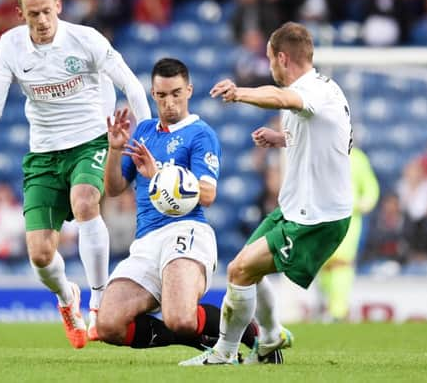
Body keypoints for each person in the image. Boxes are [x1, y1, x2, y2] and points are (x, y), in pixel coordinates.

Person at [0, 0, 151, 349]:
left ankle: (100, 303)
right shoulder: (9, 46)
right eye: (33, 14)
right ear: (20, 14)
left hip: (90, 141)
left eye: (47, 11)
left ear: (59, 6)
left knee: (85, 201)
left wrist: (150, 137)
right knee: (39, 255)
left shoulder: (86, 40)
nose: (41, 20)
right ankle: (69, 298)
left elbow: (132, 87)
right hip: (43, 154)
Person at [180, 22, 353, 365]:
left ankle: (225, 354)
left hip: (316, 218)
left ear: (283, 58)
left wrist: (239, 92)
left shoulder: (308, 91)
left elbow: (279, 98)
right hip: (295, 209)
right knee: (246, 270)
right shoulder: (325, 89)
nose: (270, 67)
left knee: (238, 272)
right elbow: (327, 137)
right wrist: (281, 140)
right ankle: (271, 340)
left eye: (271, 59)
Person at [97, 58, 257, 351]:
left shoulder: (201, 134)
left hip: (186, 232)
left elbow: (207, 195)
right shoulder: (143, 131)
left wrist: (157, 174)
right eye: (161, 95)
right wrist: (114, 149)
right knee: (108, 325)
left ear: (189, 91)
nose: (169, 102)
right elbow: (114, 188)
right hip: (146, 240)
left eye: (176, 93)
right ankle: (197, 338)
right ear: (153, 94)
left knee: (180, 318)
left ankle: (248, 329)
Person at [318, 146, 379, 322]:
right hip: (322, 217)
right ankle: (331, 306)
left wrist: (364, 202)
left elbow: (370, 187)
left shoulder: (358, 158)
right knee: (325, 263)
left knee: (341, 262)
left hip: (348, 217)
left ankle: (338, 310)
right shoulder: (321, 155)